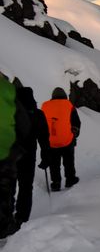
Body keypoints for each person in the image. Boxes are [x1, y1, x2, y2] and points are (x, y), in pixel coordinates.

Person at [0, 72, 30, 238]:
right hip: (5, 151)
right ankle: (4, 226)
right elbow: (23, 124)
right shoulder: (10, 93)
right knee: (5, 188)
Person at [15, 87, 51, 225]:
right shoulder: (38, 114)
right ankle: (21, 217)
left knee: (9, 186)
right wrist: (46, 157)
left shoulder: (13, 112)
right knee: (26, 186)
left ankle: (5, 219)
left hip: (11, 155)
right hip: (29, 155)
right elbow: (44, 139)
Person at [41, 87, 80, 192]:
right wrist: (75, 134)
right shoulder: (69, 105)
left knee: (54, 163)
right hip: (66, 140)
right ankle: (70, 179)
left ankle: (56, 183)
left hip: (50, 141)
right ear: (65, 96)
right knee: (69, 161)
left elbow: (41, 123)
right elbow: (76, 122)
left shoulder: (45, 106)